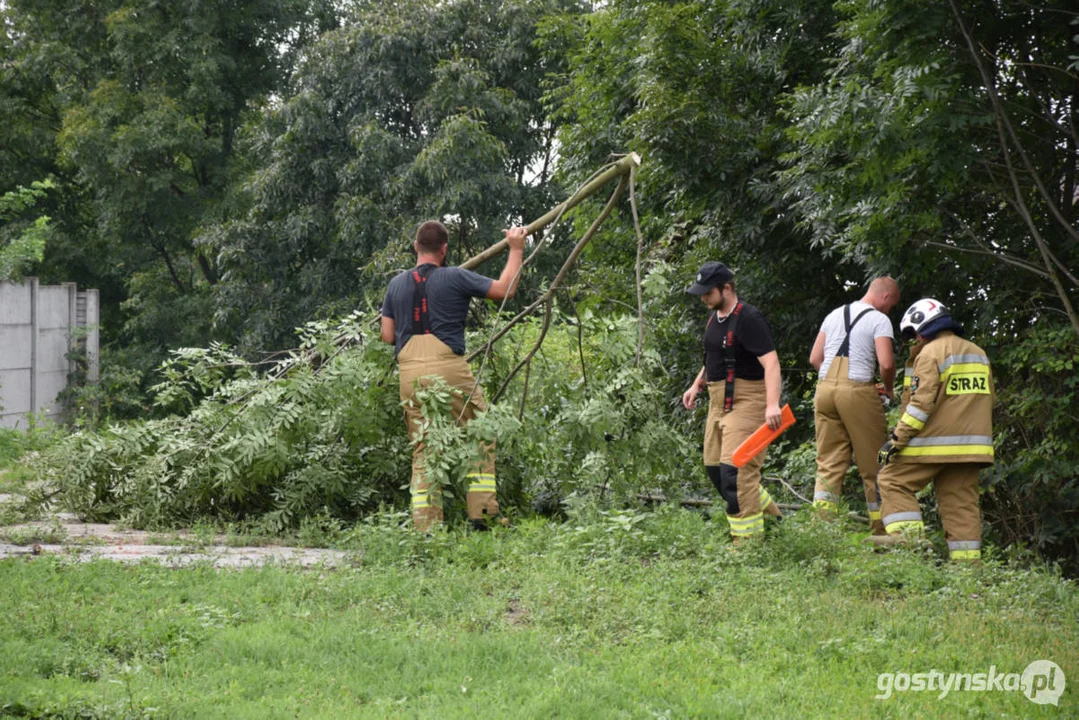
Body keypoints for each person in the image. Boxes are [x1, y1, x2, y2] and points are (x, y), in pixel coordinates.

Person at [381, 220, 528, 531]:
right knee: (479, 431)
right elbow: (505, 290)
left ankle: (426, 528)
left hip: (409, 372)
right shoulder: (455, 276)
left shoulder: (395, 284)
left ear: (415, 248)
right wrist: (516, 249)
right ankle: (483, 515)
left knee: (424, 447)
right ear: (444, 249)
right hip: (448, 366)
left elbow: (387, 335)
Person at [870, 298, 994, 561]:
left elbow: (919, 407)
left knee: (890, 478)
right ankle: (967, 574)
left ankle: (911, 547)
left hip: (932, 445)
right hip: (971, 449)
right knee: (961, 507)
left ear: (921, 326)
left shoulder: (930, 354)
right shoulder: (978, 353)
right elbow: (988, 399)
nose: (915, 341)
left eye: (913, 335)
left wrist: (893, 443)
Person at [682, 262, 784, 540]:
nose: (703, 298)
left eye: (707, 292)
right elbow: (713, 358)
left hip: (747, 401)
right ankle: (773, 522)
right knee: (715, 468)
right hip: (717, 400)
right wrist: (696, 385)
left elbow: (772, 363)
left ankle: (747, 543)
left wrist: (772, 404)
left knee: (735, 470)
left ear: (726, 288)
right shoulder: (715, 317)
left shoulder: (749, 318)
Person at [808, 277, 900, 534]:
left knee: (828, 462)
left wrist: (834, 381)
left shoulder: (833, 315)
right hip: (858, 391)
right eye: (891, 305)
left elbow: (815, 358)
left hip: (824, 390)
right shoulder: (879, 320)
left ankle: (821, 529)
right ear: (885, 297)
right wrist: (888, 388)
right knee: (876, 462)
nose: (889, 310)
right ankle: (880, 529)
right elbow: (887, 364)